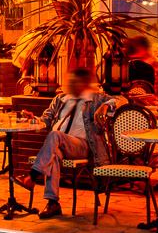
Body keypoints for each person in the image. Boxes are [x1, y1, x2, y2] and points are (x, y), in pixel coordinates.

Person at [22, 68, 120, 219]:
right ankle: (52, 202)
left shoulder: (95, 99)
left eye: (75, 82)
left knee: (55, 136)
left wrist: (106, 106)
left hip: (82, 146)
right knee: (53, 154)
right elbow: (45, 121)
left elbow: (122, 99)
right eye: (71, 81)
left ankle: (33, 176)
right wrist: (32, 118)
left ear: (85, 83)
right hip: (58, 144)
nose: (71, 85)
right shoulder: (60, 99)